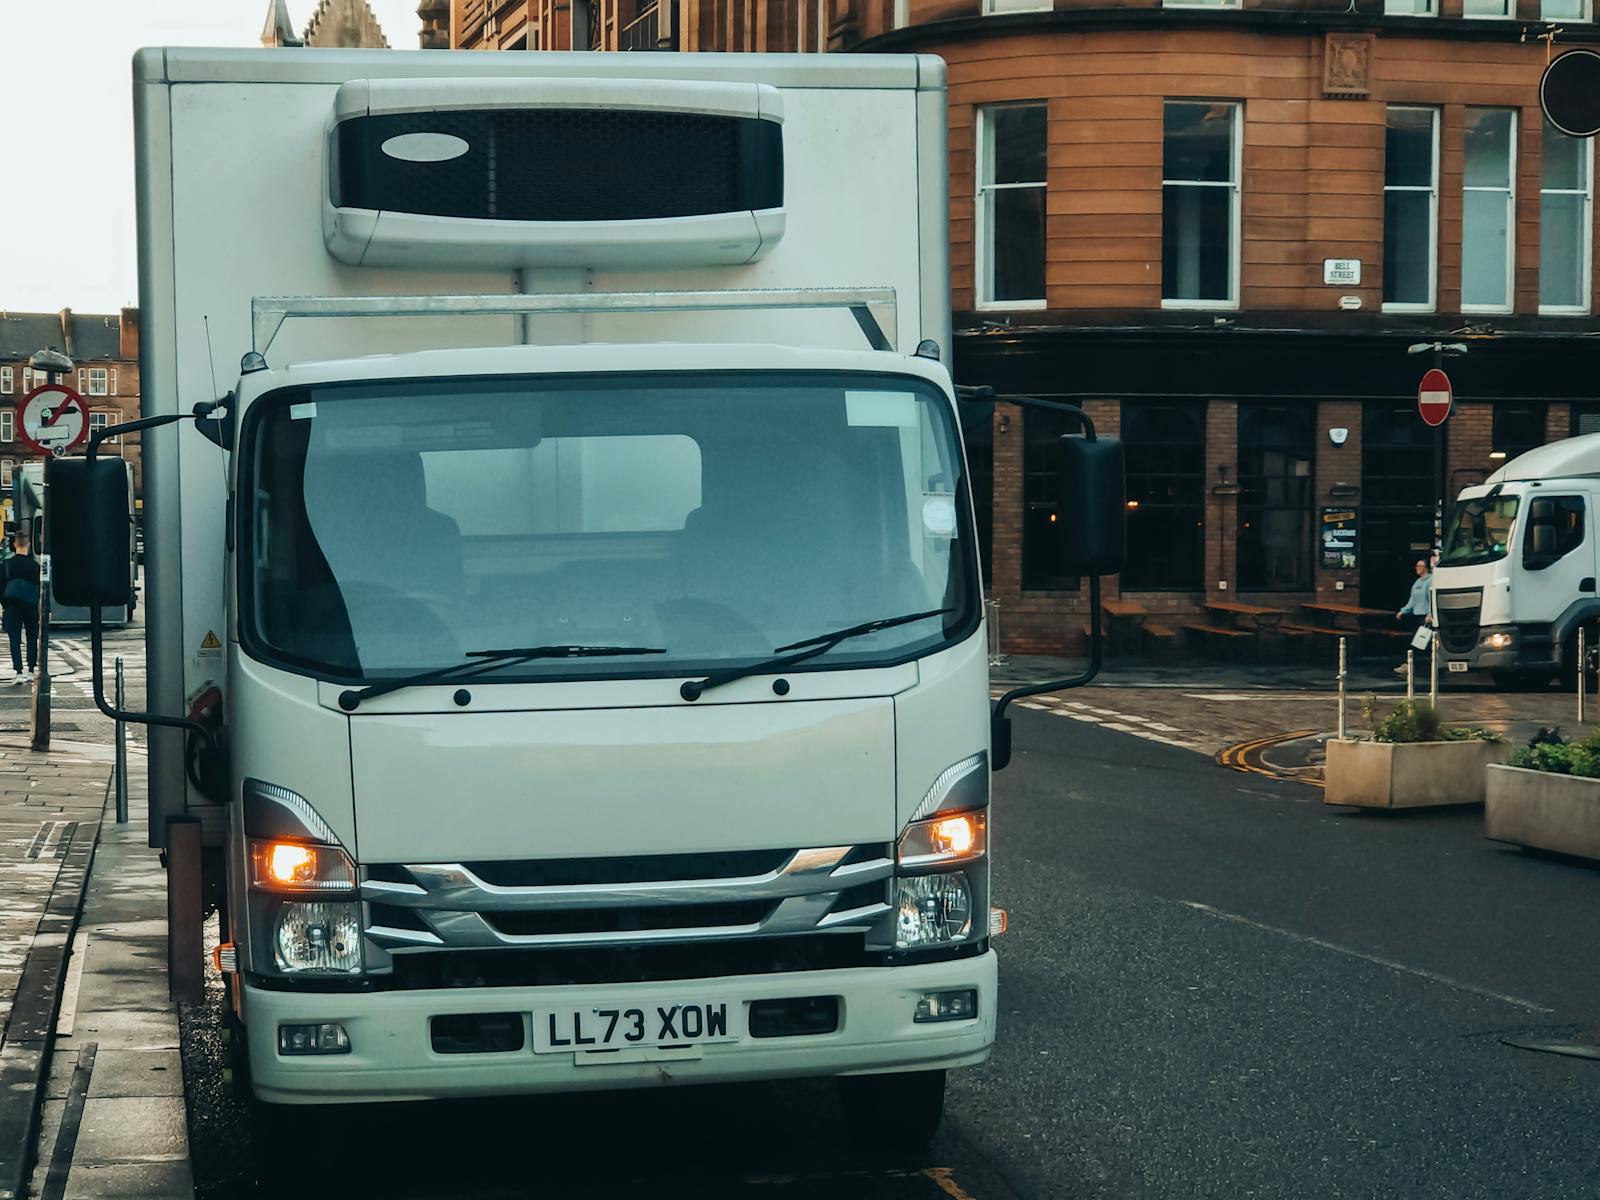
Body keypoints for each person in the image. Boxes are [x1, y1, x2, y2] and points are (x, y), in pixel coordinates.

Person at [1, 530, 41, 686]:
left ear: (14, 544)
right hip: (31, 606)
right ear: (28, 545)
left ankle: (18, 672)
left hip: (12, 606)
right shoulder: (35, 566)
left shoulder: (6, 565)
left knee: (14, 640)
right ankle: (31, 670)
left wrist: (3, 604)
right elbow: (41, 588)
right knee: (32, 637)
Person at [1393, 557, 1432, 675]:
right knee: (1418, 642)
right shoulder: (1417, 582)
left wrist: (1430, 613)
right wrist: (1403, 611)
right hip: (1417, 615)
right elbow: (1413, 599)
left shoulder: (1431, 581)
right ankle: (1414, 665)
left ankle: (1411, 665)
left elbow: (1432, 598)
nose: (1417, 568)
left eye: (1419, 566)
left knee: (1418, 642)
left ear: (1425, 568)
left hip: (1426, 617)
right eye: (1416, 566)